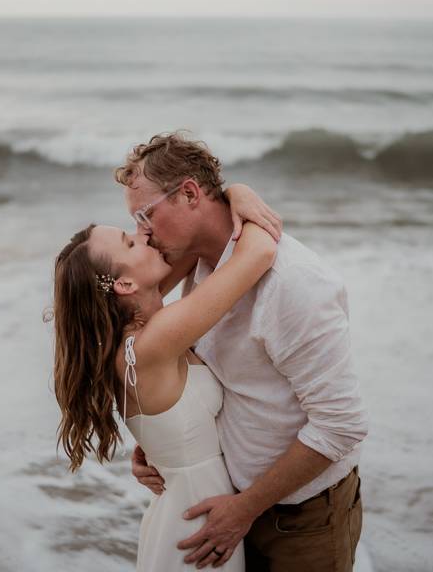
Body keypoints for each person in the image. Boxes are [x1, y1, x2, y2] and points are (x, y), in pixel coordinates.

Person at [118, 133, 368, 571]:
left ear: (190, 193)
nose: (143, 232)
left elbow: (341, 426)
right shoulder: (197, 261)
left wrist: (246, 508)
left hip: (303, 518)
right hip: (229, 507)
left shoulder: (295, 286)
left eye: (145, 214)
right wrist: (164, 444)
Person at [51, 186, 280, 571]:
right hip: (198, 527)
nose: (142, 232)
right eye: (129, 241)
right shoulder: (154, 343)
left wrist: (228, 193)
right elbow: (258, 251)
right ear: (124, 285)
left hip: (187, 511)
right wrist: (240, 195)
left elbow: (191, 246)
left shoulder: (125, 341)